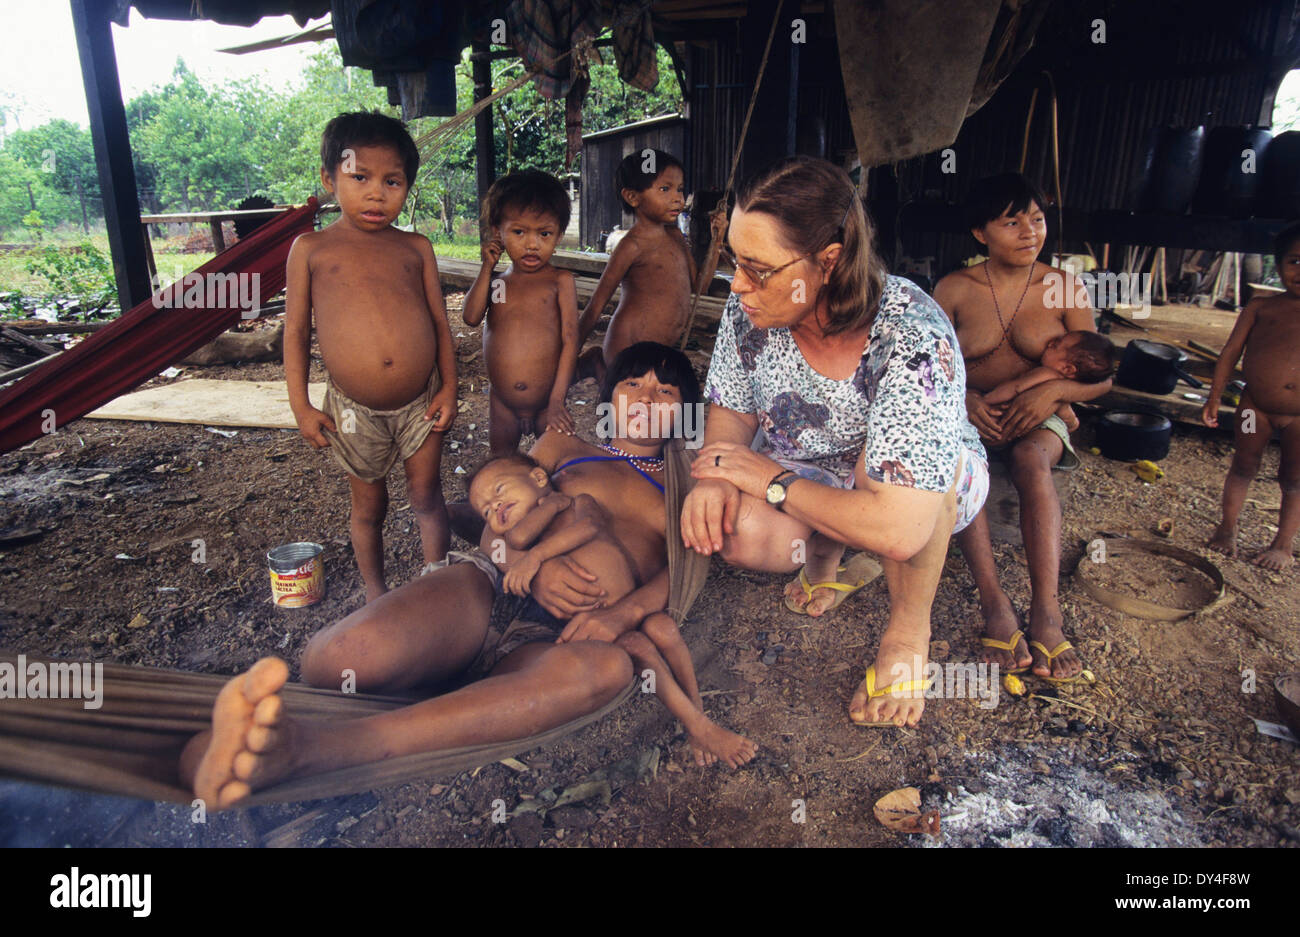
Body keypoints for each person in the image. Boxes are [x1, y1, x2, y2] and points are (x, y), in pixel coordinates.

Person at [182, 345, 713, 807]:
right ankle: (449, 676)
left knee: (606, 673)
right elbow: (490, 518)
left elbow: (686, 572)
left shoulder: (687, 485)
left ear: (685, 412)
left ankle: (309, 751)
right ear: (610, 398)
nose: (647, 396)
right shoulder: (564, 449)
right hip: (491, 589)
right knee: (333, 662)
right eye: (633, 382)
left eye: (666, 390)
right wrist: (531, 566)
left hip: (569, 635)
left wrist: (624, 613)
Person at [681, 156, 991, 728]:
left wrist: (767, 480)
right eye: (734, 263)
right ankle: (827, 551)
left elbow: (897, 530)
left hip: (913, 491)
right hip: (811, 462)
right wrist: (713, 476)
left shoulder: (911, 335)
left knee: (914, 496)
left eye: (758, 269)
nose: (739, 285)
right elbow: (731, 404)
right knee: (746, 538)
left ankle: (907, 633)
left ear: (829, 261)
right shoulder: (747, 307)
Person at [469, 450, 756, 767]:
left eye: (499, 492)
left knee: (665, 629)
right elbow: (519, 535)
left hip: (630, 604)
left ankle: (698, 710)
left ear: (538, 477)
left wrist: (537, 557)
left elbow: (590, 526)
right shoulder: (529, 530)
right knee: (638, 646)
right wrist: (543, 509)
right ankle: (697, 725)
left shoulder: (579, 501)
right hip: (591, 622)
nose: (495, 507)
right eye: (486, 512)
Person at [933, 173, 1110, 681]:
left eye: (1037, 218)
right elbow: (925, 366)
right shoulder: (954, 289)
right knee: (969, 470)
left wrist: (1052, 392)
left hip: (1041, 417)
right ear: (980, 233)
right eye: (1012, 221)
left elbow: (1099, 377)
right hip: (973, 413)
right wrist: (963, 399)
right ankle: (995, 603)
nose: (1030, 231)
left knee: (1032, 463)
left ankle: (1047, 612)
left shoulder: (1064, 287)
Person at [284, 111, 458, 603]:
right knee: (369, 506)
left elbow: (440, 324)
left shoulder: (415, 247)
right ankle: (377, 596)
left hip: (421, 402)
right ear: (328, 179)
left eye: (392, 181)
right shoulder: (311, 249)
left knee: (426, 494)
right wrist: (301, 407)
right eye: (359, 178)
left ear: (408, 186)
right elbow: (295, 333)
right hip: (354, 412)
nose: (376, 193)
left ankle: (438, 583)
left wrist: (449, 387)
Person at [1202, 221, 1300, 570]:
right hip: (1253, 407)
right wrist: (1214, 396)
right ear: (1278, 264)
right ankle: (1226, 530)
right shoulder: (1261, 308)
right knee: (1243, 466)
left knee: (1294, 478)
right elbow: (1230, 353)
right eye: (1294, 261)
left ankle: (1283, 545)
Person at [463, 170, 579, 454]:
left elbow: (570, 341)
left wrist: (557, 401)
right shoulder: (498, 283)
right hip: (503, 403)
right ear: (497, 232)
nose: (532, 244)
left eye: (544, 233)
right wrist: (487, 268)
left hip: (546, 403)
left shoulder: (559, 281)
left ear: (559, 235)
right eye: (519, 232)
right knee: (502, 467)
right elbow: (471, 317)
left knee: (552, 469)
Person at [576, 150, 701, 384]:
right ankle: (598, 363)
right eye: (665, 189)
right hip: (626, 348)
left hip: (657, 352)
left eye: (680, 189)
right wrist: (569, 355)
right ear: (632, 197)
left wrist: (717, 239)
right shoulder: (631, 246)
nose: (678, 198)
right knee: (625, 411)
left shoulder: (676, 236)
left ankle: (597, 362)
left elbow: (699, 286)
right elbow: (596, 306)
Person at [982, 330, 1116, 432]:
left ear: (1067, 369)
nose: (1050, 343)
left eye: (1056, 345)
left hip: (1001, 422)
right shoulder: (1063, 396)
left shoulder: (1045, 373)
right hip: (1027, 430)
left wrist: (986, 400)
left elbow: (1015, 388)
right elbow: (1071, 422)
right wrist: (1072, 424)